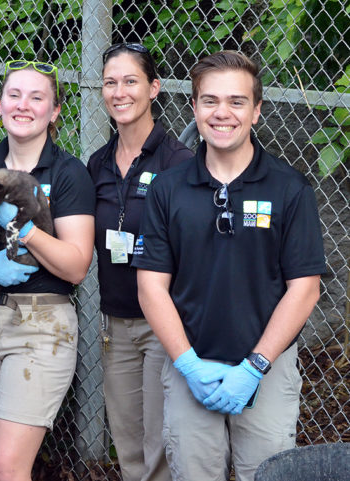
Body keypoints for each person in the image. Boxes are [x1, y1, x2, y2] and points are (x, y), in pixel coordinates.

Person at [134, 51, 326, 481]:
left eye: (237, 102)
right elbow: (150, 286)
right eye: (210, 101)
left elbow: (305, 289)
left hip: (266, 371)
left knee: (267, 474)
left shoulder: (289, 187)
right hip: (190, 366)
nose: (223, 113)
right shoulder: (167, 189)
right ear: (196, 108)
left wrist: (254, 367)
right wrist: (187, 365)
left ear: (256, 111)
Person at [0, 59, 95, 481]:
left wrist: (24, 228)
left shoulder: (68, 173)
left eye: (37, 97)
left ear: (54, 111)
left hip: (40, 321)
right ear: (0, 105)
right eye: (14, 95)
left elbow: (76, 266)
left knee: (11, 467)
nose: (23, 105)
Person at [87, 43, 193, 481]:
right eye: (110, 82)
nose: (119, 92)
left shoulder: (180, 163)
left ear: (154, 88)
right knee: (128, 444)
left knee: (160, 447)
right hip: (116, 322)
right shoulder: (96, 163)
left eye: (131, 81)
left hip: (163, 323)